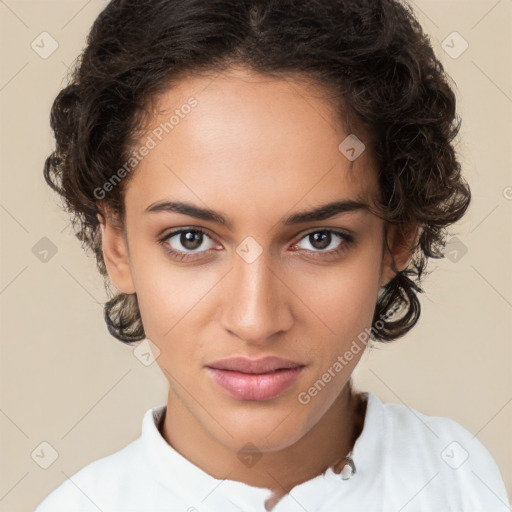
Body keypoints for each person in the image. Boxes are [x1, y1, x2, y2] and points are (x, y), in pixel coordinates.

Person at [36, 0, 510, 510]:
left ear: (397, 239)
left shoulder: (460, 481)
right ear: (117, 245)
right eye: (190, 239)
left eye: (320, 239)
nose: (255, 320)